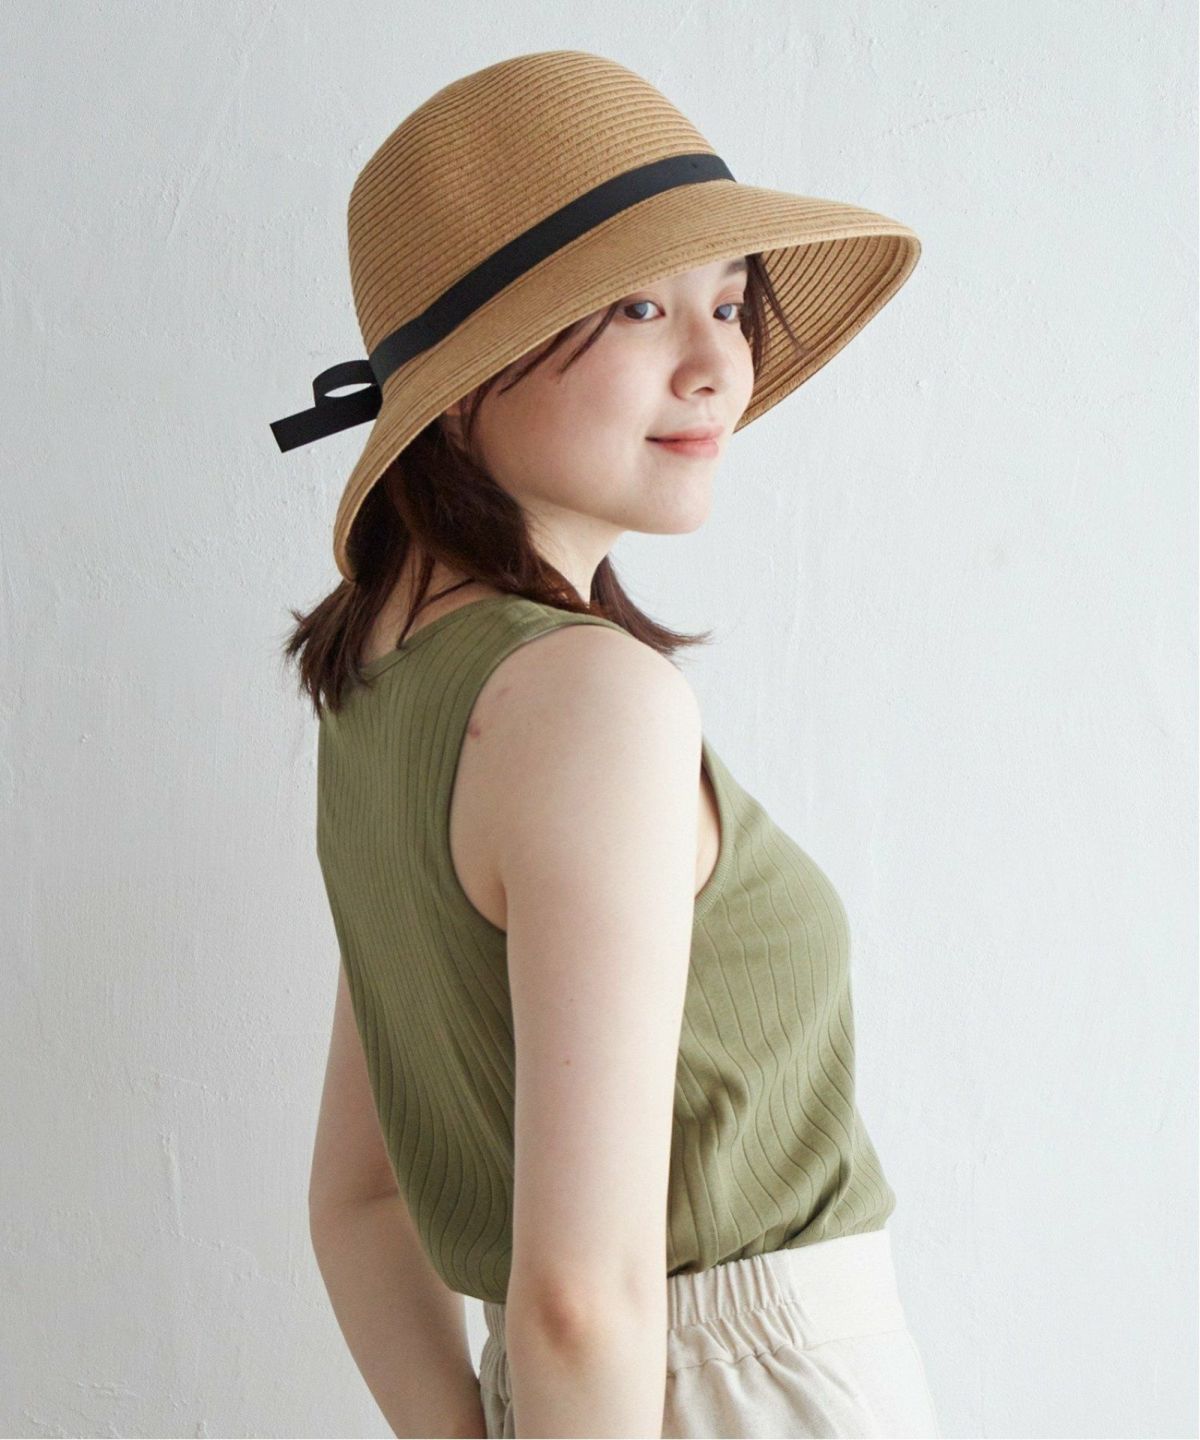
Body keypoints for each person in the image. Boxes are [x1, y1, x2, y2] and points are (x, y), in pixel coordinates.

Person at [273, 50, 937, 1439]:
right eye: (639, 305)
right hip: (741, 1390)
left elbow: (360, 1203)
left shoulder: (384, 693)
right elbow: (578, 1296)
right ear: (465, 377)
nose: (717, 364)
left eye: (729, 302)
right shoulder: (587, 703)